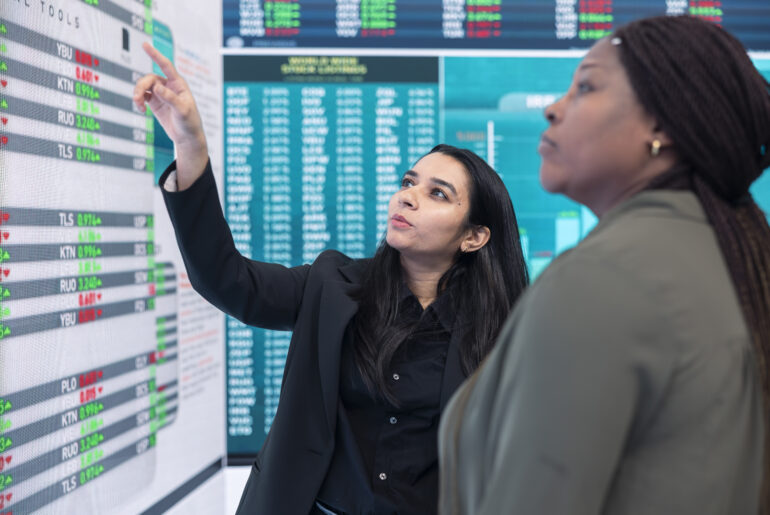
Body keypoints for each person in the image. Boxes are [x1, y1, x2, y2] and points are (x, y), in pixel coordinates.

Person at [133, 44, 529, 514]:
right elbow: (226, 279)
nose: (407, 198)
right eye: (408, 182)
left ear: (474, 237)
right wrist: (191, 146)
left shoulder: (504, 329)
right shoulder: (333, 285)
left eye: (437, 194)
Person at [438, 15, 770, 515]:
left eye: (586, 87)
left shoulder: (602, 280)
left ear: (661, 124)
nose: (553, 109)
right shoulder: (738, 255)